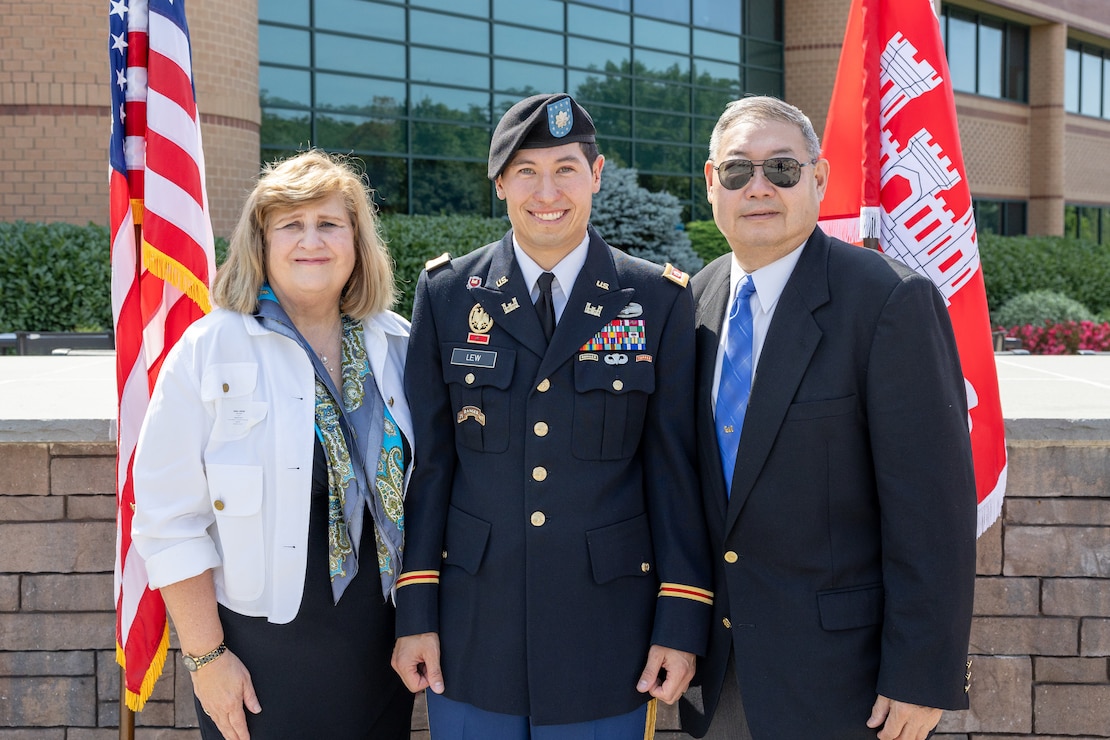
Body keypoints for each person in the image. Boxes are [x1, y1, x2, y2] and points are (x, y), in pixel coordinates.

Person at [391, 93, 714, 738]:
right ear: (501, 182)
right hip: (474, 627)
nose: (547, 190)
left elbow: (674, 473)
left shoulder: (656, 299)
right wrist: (416, 612)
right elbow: (429, 468)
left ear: (595, 175)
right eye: (526, 170)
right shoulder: (450, 294)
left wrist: (680, 620)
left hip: (606, 632)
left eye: (566, 168)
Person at [678, 95, 977, 740]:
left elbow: (932, 512)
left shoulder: (888, 302)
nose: (758, 188)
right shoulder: (694, 303)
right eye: (737, 172)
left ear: (819, 178)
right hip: (719, 678)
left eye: (782, 170)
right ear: (711, 184)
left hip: (843, 684)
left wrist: (922, 676)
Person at [131, 150, 415, 740]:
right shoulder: (209, 350)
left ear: (357, 241)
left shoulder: (399, 345)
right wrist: (207, 661)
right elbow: (167, 519)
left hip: (381, 648)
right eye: (291, 225)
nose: (311, 241)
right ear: (261, 244)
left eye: (330, 224)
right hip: (257, 656)